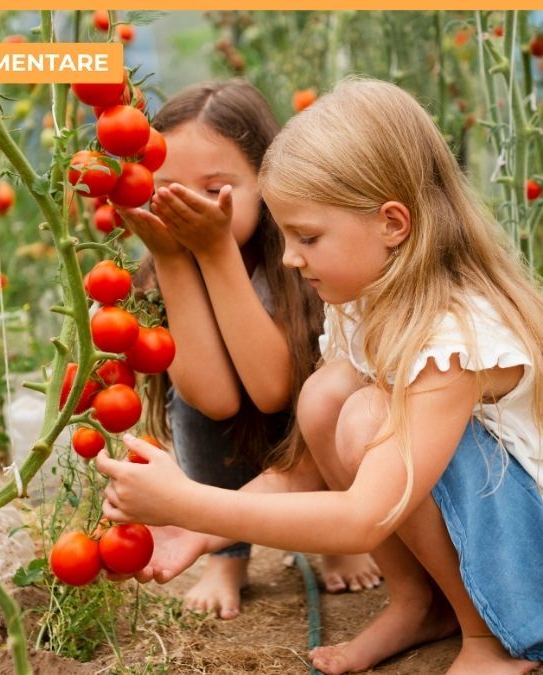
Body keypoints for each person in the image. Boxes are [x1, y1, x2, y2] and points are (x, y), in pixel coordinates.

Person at [98, 78, 543, 674]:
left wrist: (194, 502)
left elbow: (362, 514)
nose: (288, 257)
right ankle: (420, 605)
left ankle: (493, 639)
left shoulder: (454, 336)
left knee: (367, 417)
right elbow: (306, 468)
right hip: (514, 532)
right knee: (327, 397)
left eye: (307, 237)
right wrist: (195, 530)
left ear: (392, 223)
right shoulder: (367, 300)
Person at [118, 80, 382, 620]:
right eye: (167, 187)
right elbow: (211, 400)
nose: (188, 204)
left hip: (305, 429)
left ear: (265, 181)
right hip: (231, 432)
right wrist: (172, 260)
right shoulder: (164, 261)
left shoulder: (301, 259)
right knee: (188, 400)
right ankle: (227, 557)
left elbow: (272, 391)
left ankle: (333, 536)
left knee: (324, 398)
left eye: (214, 187)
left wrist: (214, 250)